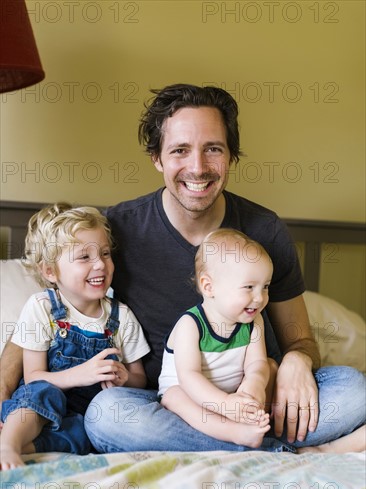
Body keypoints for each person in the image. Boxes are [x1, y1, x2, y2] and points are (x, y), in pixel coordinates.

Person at [1, 84, 365, 454]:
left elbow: (300, 340)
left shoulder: (264, 229)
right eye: (180, 150)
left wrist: (296, 364)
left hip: (259, 400)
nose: (198, 167)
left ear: (231, 157)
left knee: (353, 389)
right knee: (106, 414)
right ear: (157, 158)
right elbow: (42, 312)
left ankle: (245, 438)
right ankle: (269, 448)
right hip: (172, 406)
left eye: (213, 149)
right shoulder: (117, 230)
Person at [0, 203, 150, 469]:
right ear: (50, 271)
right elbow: (35, 377)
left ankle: (24, 448)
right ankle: (8, 444)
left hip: (86, 410)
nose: (100, 265)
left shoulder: (121, 316)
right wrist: (81, 374)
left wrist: (126, 379)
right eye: (84, 257)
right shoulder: (42, 307)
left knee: (85, 433)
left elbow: (139, 377)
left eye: (105, 253)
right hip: (43, 397)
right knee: (40, 394)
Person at [158, 228, 275, 448]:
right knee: (174, 397)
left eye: (265, 287)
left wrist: (254, 385)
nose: (259, 298)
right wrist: (224, 404)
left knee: (269, 367)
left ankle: (252, 421)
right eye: (249, 287)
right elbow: (189, 376)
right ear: (209, 287)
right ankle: (233, 432)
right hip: (191, 392)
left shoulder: (253, 321)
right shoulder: (191, 325)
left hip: (233, 392)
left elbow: (257, 363)